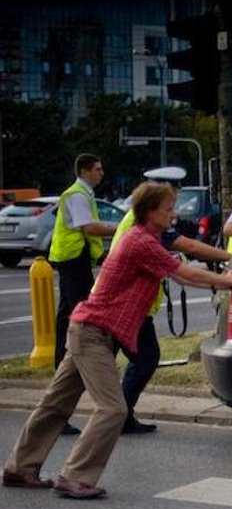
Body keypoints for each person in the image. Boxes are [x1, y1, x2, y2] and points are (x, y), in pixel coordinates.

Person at [2, 181, 232, 498]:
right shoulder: (140, 242)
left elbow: (181, 270)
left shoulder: (146, 239)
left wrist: (227, 273)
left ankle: (20, 468)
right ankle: (74, 476)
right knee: (113, 409)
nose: (173, 214)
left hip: (90, 329)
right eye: (168, 209)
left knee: (56, 404)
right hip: (93, 333)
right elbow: (185, 273)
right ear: (150, 211)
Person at [112, 166, 232, 434]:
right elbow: (187, 249)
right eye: (170, 203)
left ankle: (117, 414)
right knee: (144, 357)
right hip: (121, 307)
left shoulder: (140, 221)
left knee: (132, 359)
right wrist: (228, 259)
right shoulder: (146, 224)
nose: (174, 211)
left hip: (127, 306)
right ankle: (117, 416)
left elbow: (181, 270)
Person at [49, 153, 118, 436]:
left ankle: (66, 364)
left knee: (69, 318)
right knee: (76, 319)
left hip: (76, 260)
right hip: (73, 260)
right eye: (98, 169)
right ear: (86, 170)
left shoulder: (82, 193)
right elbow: (88, 227)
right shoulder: (77, 194)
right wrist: (120, 229)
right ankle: (70, 366)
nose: (102, 173)